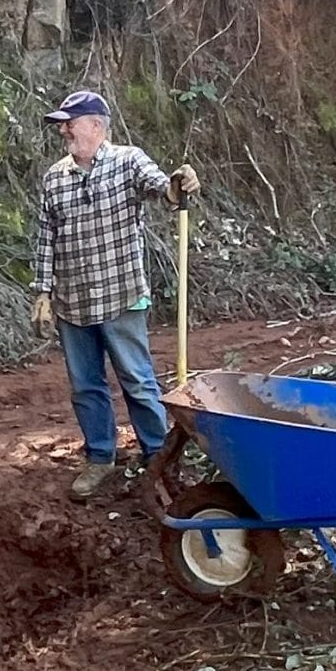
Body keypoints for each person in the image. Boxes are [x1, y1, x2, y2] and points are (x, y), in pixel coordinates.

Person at [29, 90, 199, 502]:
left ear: (97, 126)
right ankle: (100, 456)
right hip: (73, 304)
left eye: (71, 122)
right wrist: (42, 292)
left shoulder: (127, 161)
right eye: (62, 124)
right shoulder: (56, 178)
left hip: (120, 296)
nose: (64, 130)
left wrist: (180, 185)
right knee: (85, 386)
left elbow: (164, 189)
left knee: (138, 382)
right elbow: (46, 238)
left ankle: (160, 458)